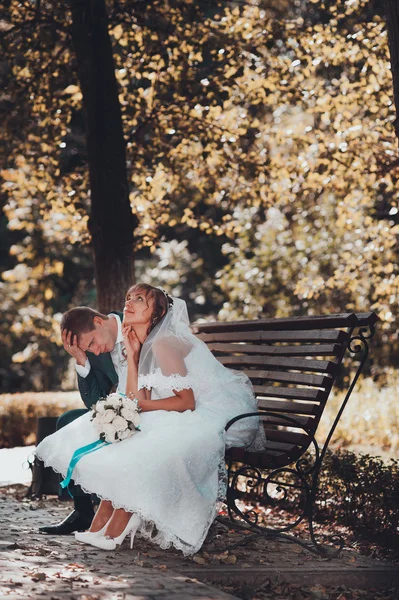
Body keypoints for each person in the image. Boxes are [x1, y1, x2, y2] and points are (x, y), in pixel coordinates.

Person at [35, 284, 265, 555]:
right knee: (128, 433)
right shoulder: (142, 345)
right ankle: (101, 524)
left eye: (139, 299)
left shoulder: (164, 342)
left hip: (215, 413)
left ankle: (122, 519)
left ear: (156, 311)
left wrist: (136, 406)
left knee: (143, 438)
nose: (128, 303)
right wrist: (132, 358)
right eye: (128, 297)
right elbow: (135, 395)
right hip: (178, 409)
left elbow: (185, 402)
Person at [39, 306, 126, 535]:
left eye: (92, 344)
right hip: (121, 414)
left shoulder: (137, 324)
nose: (95, 352)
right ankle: (83, 511)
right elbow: (96, 405)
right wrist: (80, 358)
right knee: (68, 421)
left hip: (153, 411)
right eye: (89, 349)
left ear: (99, 321)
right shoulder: (95, 354)